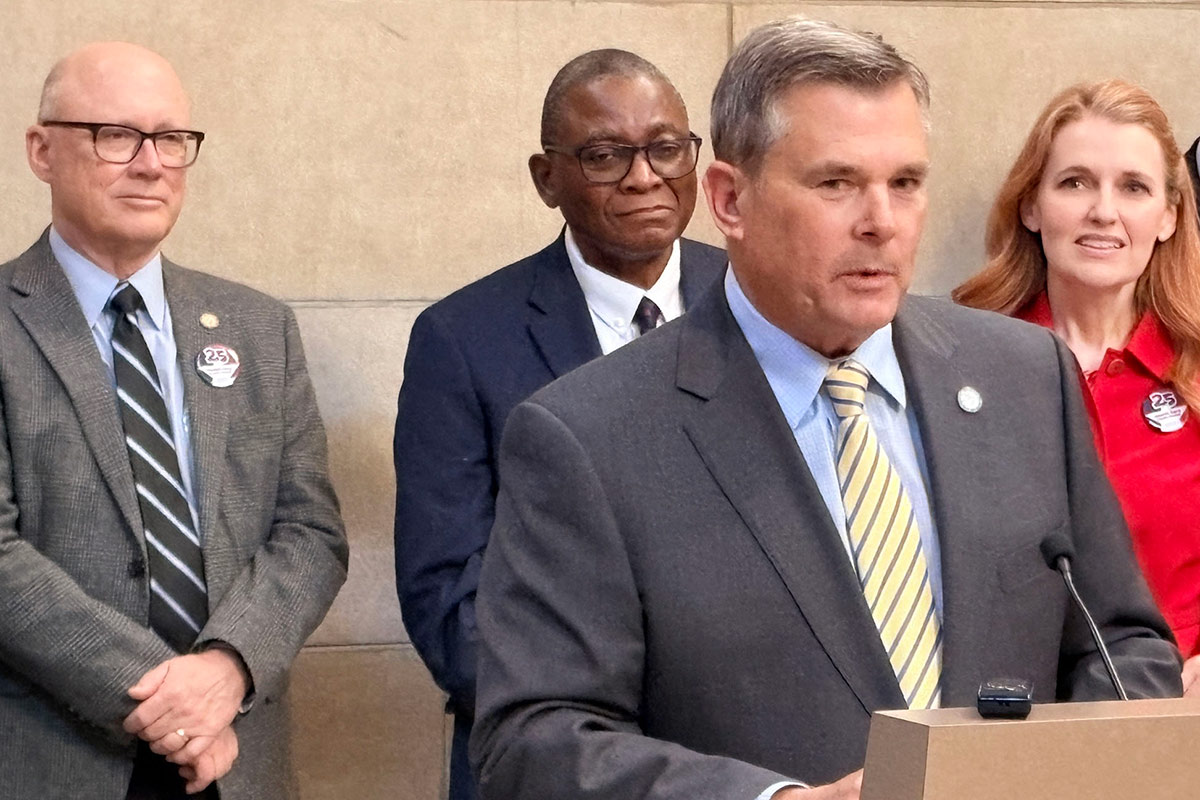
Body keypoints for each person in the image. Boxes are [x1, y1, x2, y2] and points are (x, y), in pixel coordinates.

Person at [470, 18, 1182, 800]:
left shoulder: (1021, 376)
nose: (881, 219)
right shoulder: (589, 436)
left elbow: (1121, 643)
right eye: (836, 183)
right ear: (730, 199)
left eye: (905, 182)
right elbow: (534, 740)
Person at [0, 42, 348, 798]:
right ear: (41, 149)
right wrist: (166, 698)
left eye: (170, 140)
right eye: (115, 136)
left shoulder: (259, 330)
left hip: (237, 757)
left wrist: (228, 669)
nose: (150, 164)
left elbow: (309, 534)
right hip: (53, 757)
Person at [393, 48, 724, 800]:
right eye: (606, 156)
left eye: (666, 148)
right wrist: (594, 723)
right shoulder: (464, 338)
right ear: (548, 178)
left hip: (744, 758)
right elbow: (449, 598)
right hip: (557, 760)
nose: (644, 177)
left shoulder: (758, 304)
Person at [954, 80, 1200, 695]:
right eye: (1075, 182)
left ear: (1169, 215)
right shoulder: (956, 364)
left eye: (1134, 188)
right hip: (1010, 726)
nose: (1104, 211)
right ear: (1030, 205)